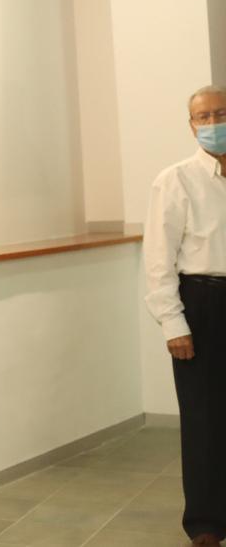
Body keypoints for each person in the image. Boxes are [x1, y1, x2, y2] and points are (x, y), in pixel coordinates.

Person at [143, 85, 226, 547]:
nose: (212, 123)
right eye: (203, 117)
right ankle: (207, 524)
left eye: (220, 113)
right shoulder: (175, 180)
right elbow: (158, 259)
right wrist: (173, 323)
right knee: (204, 419)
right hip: (204, 304)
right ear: (191, 125)